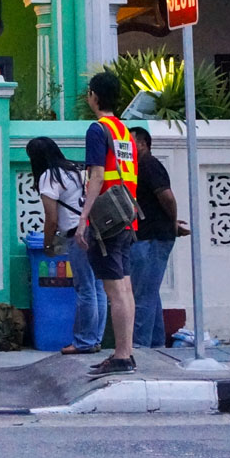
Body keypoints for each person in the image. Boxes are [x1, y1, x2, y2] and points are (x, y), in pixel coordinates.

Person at [78, 71, 140, 377]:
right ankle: (125, 353)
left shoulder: (97, 130)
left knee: (114, 290)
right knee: (124, 288)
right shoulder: (124, 131)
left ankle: (120, 355)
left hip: (106, 219)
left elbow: (98, 176)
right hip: (127, 216)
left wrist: (82, 220)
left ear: (93, 95)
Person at [28, 135, 104, 355]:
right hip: (93, 227)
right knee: (97, 287)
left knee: (85, 289)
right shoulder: (74, 170)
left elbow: (51, 218)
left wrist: (48, 244)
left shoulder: (48, 176)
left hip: (75, 233)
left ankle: (83, 341)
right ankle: (95, 338)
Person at [128, 126, 188, 352]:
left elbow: (167, 197)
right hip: (146, 235)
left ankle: (140, 346)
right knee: (148, 291)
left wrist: (171, 223)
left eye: (131, 142)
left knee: (142, 294)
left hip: (152, 237)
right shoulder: (137, 168)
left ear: (143, 144)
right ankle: (155, 343)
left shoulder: (148, 165)